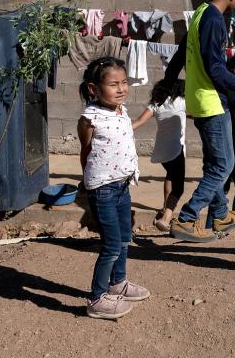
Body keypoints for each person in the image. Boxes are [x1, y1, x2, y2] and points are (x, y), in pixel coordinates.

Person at [161, 0, 235, 243]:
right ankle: (188, 217)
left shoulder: (202, 12)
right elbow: (216, 71)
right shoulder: (215, 19)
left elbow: (181, 51)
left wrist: (168, 80)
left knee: (215, 163)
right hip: (212, 103)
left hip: (200, 101)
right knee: (223, 166)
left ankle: (221, 212)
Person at [77, 57, 150, 320]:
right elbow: (85, 152)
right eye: (113, 84)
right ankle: (96, 299)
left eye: (124, 83)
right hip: (104, 189)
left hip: (122, 186)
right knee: (111, 246)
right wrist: (85, 181)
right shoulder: (90, 118)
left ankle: (118, 284)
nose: (121, 89)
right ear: (94, 89)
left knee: (123, 239)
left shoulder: (122, 110)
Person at [204, 56, 235, 230]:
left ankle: (211, 225)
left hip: (220, 145)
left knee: (220, 188)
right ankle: (234, 225)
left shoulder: (221, 88)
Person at [131, 79, 187, 233]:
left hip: (162, 152)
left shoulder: (156, 103)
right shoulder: (182, 102)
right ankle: (165, 219)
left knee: (170, 176)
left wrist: (121, 130)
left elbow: (139, 121)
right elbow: (195, 114)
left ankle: (164, 207)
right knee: (179, 187)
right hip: (176, 151)